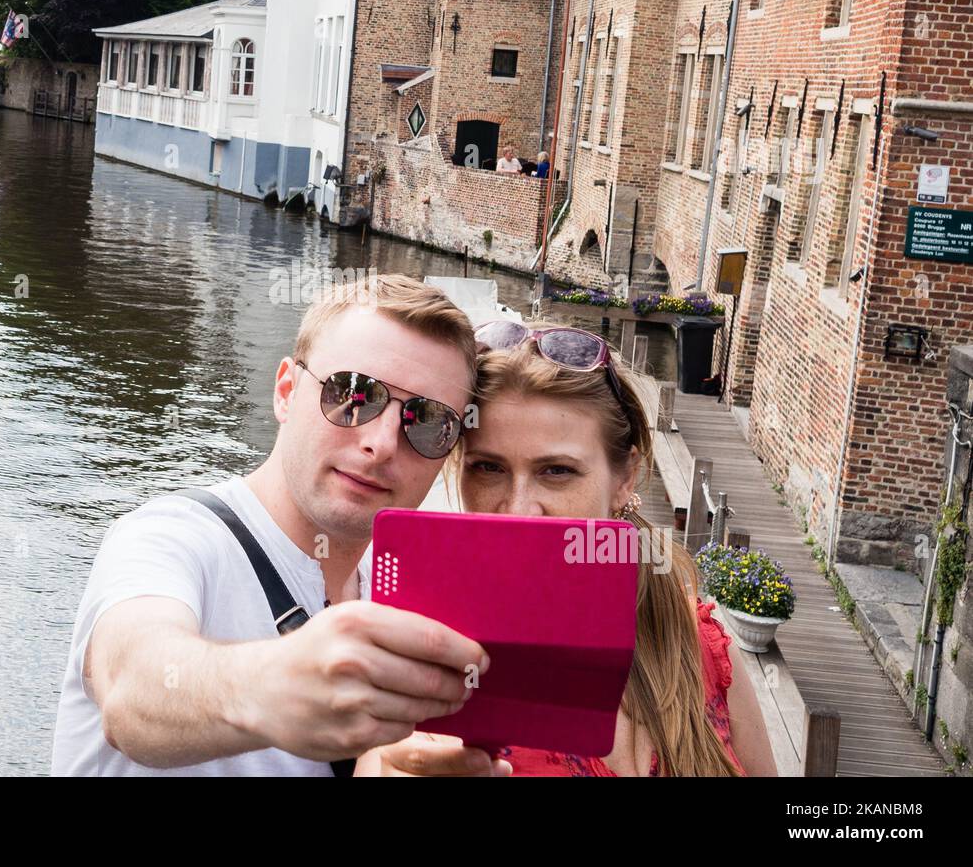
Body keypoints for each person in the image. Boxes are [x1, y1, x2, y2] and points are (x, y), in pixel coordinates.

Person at [51, 273, 509, 776]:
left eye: (425, 421)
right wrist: (270, 689)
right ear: (286, 391)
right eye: (353, 393)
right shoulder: (171, 538)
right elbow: (131, 687)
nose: (381, 443)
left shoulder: (413, 598)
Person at [356, 322, 778, 777]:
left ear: (625, 479)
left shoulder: (701, 651)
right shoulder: (425, 670)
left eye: (557, 471)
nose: (519, 512)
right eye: (487, 468)